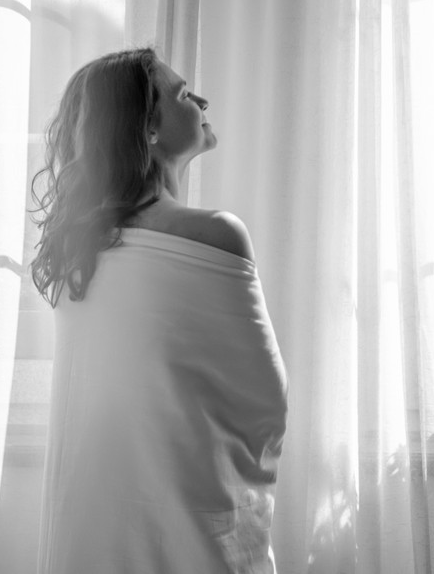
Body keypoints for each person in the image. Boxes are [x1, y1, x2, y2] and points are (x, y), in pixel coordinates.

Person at [29, 45, 289, 574]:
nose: (202, 99)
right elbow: (266, 398)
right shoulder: (217, 233)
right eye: (183, 95)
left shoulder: (80, 248)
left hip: (92, 519)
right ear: (148, 128)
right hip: (184, 528)